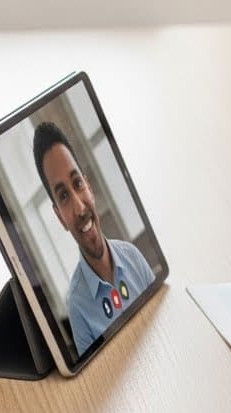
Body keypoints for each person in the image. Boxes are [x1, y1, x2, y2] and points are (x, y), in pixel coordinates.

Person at [32, 121, 155, 355]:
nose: (80, 208)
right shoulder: (77, 306)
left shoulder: (132, 256)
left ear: (89, 187)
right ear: (59, 217)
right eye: (64, 196)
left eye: (78, 184)